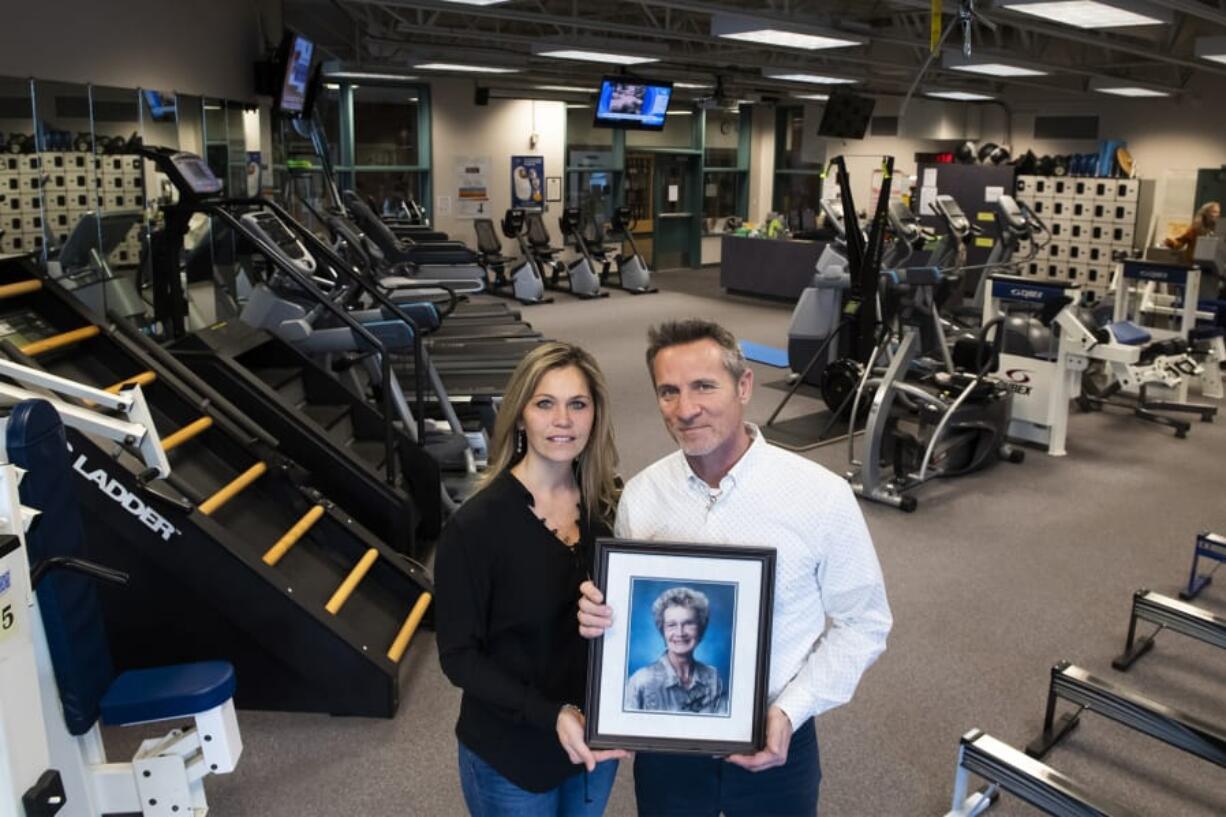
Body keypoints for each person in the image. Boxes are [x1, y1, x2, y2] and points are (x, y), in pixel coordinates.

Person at [578, 319, 892, 817]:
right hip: (667, 750)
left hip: (779, 738)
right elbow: (629, 615)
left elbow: (865, 623)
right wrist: (602, 619)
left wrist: (792, 709)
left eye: (704, 386)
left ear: (744, 386)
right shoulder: (642, 495)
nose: (686, 409)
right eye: (668, 392)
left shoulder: (820, 495)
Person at [436, 342, 629, 817]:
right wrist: (552, 714)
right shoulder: (476, 526)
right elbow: (459, 658)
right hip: (511, 753)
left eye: (577, 404)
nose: (562, 419)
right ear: (521, 416)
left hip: (593, 747)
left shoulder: (608, 509)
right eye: (545, 403)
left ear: (594, 415)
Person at [624, 586, 728, 716]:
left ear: (701, 628)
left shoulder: (713, 679)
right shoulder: (640, 682)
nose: (680, 632)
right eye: (671, 625)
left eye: (689, 623)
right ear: (663, 631)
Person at [1165, 200, 1222, 297]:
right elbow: (1180, 243)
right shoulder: (1195, 229)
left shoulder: (1220, 230)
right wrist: (1170, 243)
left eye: (1218, 212)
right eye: (1214, 212)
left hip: (1213, 271)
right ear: (1206, 213)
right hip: (1194, 267)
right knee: (1192, 295)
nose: (1216, 215)